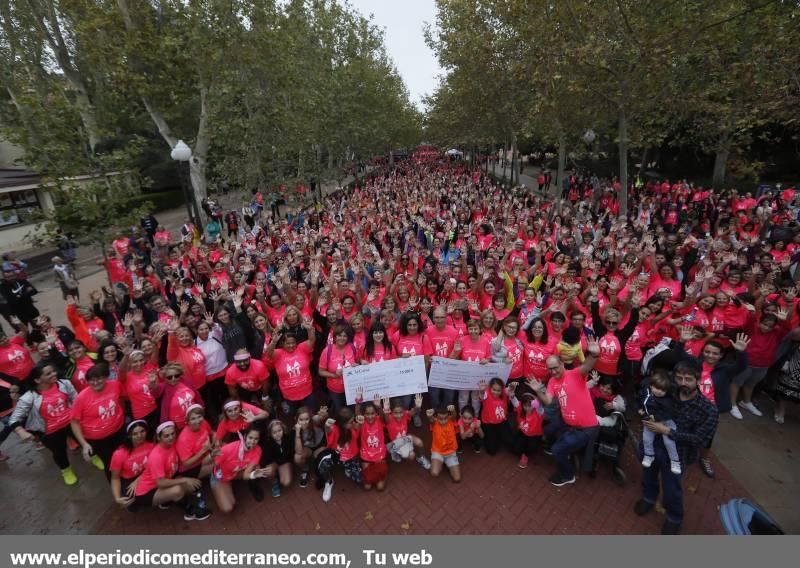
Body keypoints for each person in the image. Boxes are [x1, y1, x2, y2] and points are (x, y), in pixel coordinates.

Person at [634, 361, 721, 534]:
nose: (682, 383)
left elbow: (699, 439)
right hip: (654, 446)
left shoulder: (709, 410)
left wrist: (667, 431)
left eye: (688, 379)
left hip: (678, 455)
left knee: (672, 488)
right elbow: (645, 390)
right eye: (679, 378)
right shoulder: (668, 391)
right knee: (648, 475)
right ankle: (649, 498)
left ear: (698, 380)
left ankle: (674, 517)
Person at [529, 336, 602, 487]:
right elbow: (548, 401)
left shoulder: (575, 374)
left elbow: (588, 365)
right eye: (550, 369)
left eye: (555, 367)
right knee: (549, 430)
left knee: (557, 450)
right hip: (567, 422)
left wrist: (594, 354)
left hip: (585, 428)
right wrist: (537, 391)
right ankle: (566, 451)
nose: (553, 371)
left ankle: (568, 475)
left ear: (562, 364)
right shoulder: (552, 381)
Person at [10, 365, 81, 485]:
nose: (54, 374)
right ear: (37, 380)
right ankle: (66, 471)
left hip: (71, 423)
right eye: (48, 374)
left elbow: (76, 399)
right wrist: (21, 431)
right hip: (50, 432)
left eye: (53, 371)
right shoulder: (29, 397)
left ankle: (94, 457)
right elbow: (13, 419)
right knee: (60, 453)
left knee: (86, 441)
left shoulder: (64, 384)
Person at [133, 421, 210, 520]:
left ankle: (166, 501)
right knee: (178, 490)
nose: (171, 437)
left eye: (173, 433)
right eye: (166, 435)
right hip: (147, 493)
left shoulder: (173, 444)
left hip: (164, 481)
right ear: (159, 437)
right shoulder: (156, 456)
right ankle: (190, 512)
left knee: (191, 484)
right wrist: (185, 480)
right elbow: (160, 483)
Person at [70, 363, 126, 478]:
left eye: (99, 379)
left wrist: (121, 415)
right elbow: (74, 422)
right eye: (91, 380)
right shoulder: (81, 398)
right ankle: (116, 486)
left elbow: (122, 398)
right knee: (110, 464)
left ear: (106, 377)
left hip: (119, 431)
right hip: (99, 440)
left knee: (124, 457)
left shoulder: (115, 385)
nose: (95, 383)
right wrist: (84, 444)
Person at [638, 371, 681, 475]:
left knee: (669, 441)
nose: (659, 391)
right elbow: (641, 400)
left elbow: (669, 412)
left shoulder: (667, 400)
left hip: (666, 421)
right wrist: (640, 409)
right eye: (656, 388)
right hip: (650, 420)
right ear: (651, 386)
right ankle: (649, 455)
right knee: (646, 438)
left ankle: (675, 461)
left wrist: (657, 417)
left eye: (663, 390)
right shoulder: (647, 392)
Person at [109, 420, 155, 509]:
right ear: (129, 435)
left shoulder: (152, 445)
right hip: (128, 480)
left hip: (148, 475)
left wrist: (138, 480)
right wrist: (117, 498)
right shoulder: (119, 453)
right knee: (127, 502)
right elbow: (115, 478)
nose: (140, 436)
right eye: (135, 434)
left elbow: (153, 467)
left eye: (142, 431)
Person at [426, 405, 461, 483]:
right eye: (440, 419)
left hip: (451, 453)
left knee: (457, 479)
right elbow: (430, 419)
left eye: (445, 418)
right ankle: (440, 462)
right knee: (434, 472)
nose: (443, 421)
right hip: (438, 452)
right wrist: (429, 416)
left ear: (448, 416)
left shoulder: (451, 420)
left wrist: (453, 410)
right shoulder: (434, 423)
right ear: (436, 417)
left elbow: (454, 415)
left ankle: (446, 462)